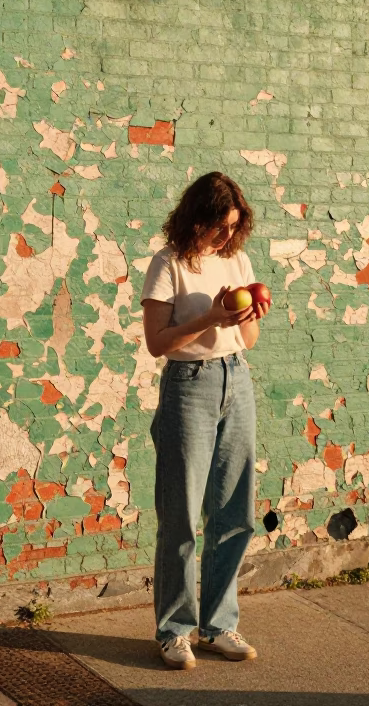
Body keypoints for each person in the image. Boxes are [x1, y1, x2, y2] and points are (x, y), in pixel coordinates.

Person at [141, 172, 270, 670]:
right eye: (218, 226)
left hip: (235, 381)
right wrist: (209, 319)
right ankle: (175, 631)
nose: (225, 236)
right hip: (188, 386)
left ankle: (220, 626)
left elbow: (250, 340)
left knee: (234, 512)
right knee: (181, 516)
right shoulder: (168, 264)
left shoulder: (236, 260)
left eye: (233, 227)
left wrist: (249, 313)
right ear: (197, 219)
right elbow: (157, 343)